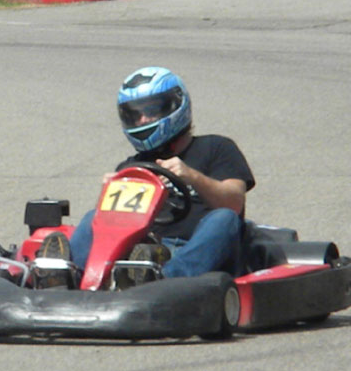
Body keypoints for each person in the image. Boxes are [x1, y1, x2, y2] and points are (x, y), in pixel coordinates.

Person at [39, 66, 255, 288]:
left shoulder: (217, 148)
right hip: (144, 253)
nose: (142, 120)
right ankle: (68, 277)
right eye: (135, 114)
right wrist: (109, 196)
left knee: (224, 218)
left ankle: (166, 280)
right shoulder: (132, 167)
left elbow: (234, 203)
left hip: (197, 250)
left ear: (174, 105)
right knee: (93, 216)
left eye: (150, 110)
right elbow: (110, 228)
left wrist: (191, 176)